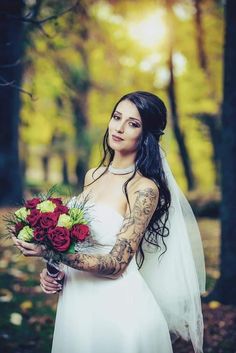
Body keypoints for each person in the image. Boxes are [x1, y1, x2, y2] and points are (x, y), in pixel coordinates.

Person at [14, 91, 206, 353]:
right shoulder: (93, 175)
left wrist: (49, 250)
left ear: (146, 134)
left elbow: (116, 264)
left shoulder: (144, 189)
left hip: (119, 311)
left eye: (133, 123)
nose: (120, 127)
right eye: (117, 117)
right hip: (77, 304)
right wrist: (53, 269)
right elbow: (80, 244)